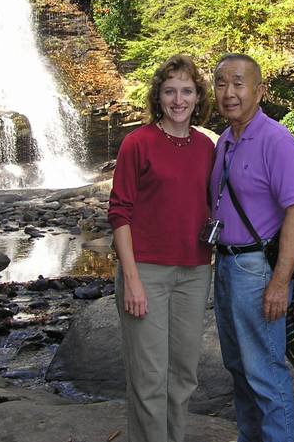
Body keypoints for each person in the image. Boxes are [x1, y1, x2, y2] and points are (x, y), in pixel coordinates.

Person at [108, 54, 214, 442]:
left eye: (186, 91)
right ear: (159, 96)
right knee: (149, 376)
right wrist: (132, 280)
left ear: (197, 96)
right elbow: (119, 213)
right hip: (147, 272)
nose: (178, 99)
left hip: (195, 271)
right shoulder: (138, 143)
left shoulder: (206, 147)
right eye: (170, 91)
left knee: (183, 374)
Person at [209, 53, 294, 442]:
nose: (229, 92)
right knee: (237, 366)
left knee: (265, 370)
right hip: (226, 265)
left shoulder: (277, 140)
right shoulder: (225, 141)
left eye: (238, 83)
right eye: (221, 83)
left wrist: (280, 282)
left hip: (256, 268)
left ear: (260, 90)